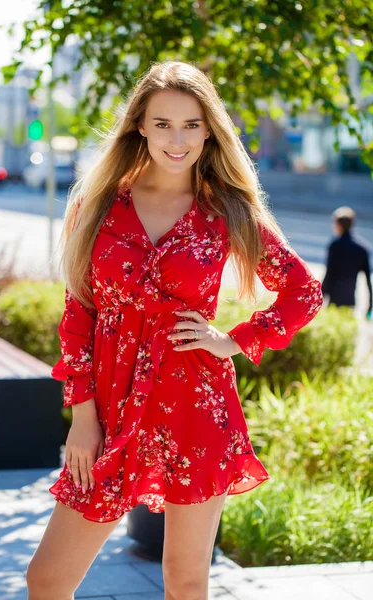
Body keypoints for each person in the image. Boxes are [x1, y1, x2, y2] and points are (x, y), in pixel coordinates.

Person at [26, 61, 323, 600]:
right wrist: (82, 416)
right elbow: (79, 316)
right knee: (46, 580)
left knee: (185, 583)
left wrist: (232, 340)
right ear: (139, 124)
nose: (177, 139)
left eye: (190, 124)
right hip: (111, 411)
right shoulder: (95, 206)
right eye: (162, 124)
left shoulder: (227, 211)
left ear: (209, 129)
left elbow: (303, 291)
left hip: (196, 405)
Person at [322, 206, 372, 319]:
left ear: (338, 225)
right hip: (350, 299)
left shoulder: (335, 245)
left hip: (334, 299)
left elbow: (329, 273)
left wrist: (320, 297)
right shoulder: (362, 249)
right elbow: (368, 280)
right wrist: (370, 306)